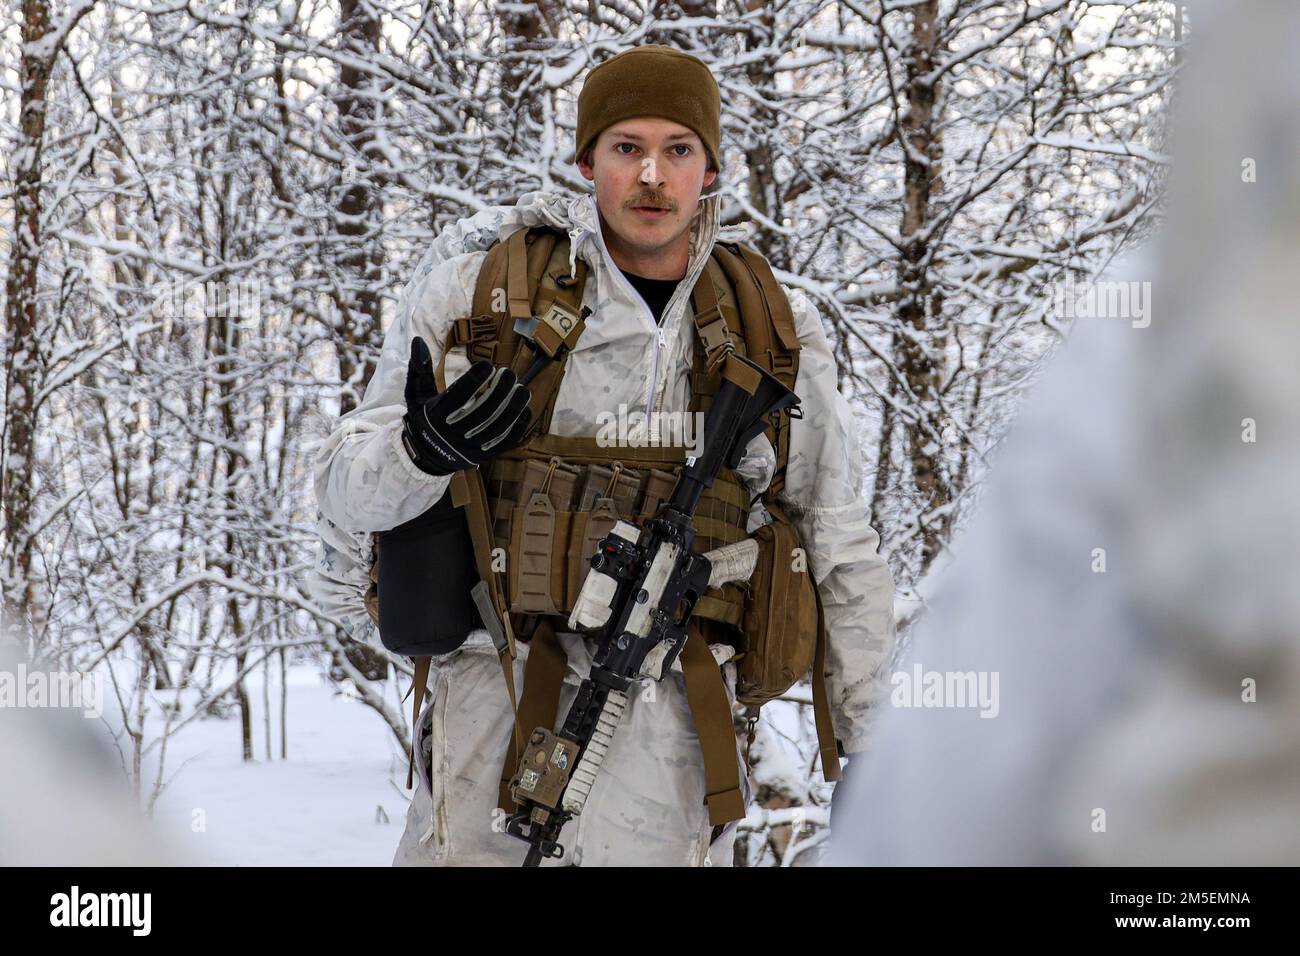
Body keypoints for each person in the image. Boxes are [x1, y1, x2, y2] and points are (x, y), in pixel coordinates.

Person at [310, 44, 895, 867]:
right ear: (587, 160)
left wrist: (868, 742)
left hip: (673, 737)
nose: (652, 176)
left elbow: (837, 540)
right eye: (627, 148)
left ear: (711, 169)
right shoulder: (480, 297)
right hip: (494, 706)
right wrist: (421, 450)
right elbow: (341, 493)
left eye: (678, 150)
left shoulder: (773, 327)